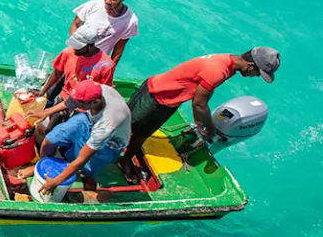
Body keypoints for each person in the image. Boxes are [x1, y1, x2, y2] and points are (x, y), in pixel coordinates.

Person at [120, 48, 280, 179]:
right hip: (158, 97)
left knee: (139, 132)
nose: (255, 77)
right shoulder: (218, 71)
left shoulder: (226, 61)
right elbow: (199, 104)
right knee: (127, 128)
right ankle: (115, 159)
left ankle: (125, 158)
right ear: (250, 66)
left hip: (167, 97)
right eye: (258, 73)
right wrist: (207, 129)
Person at [27, 80, 132, 194]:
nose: (75, 106)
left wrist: (57, 181)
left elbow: (81, 160)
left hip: (111, 142)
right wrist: (46, 112)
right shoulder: (96, 90)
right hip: (89, 120)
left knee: (86, 168)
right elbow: (70, 102)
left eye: (79, 104)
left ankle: (89, 182)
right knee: (50, 139)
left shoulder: (107, 124)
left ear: (95, 102)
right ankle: (43, 165)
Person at [34, 23, 116, 136]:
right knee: (50, 129)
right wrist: (42, 92)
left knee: (71, 135)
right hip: (64, 98)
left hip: (84, 108)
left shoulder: (106, 65)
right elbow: (57, 73)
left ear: (91, 45)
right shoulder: (68, 53)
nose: (75, 49)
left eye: (79, 46)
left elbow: (103, 92)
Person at [68, 0, 139, 65]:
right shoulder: (92, 6)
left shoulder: (130, 21)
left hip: (97, 62)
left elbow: (119, 47)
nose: (108, 1)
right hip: (77, 53)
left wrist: (111, 67)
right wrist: (73, 49)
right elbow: (75, 24)